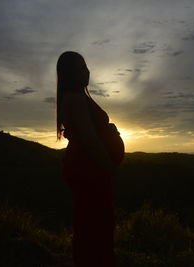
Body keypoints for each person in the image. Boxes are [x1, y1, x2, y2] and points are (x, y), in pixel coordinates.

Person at [56, 51, 123, 267]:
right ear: (69, 73)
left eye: (86, 66)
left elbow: (88, 133)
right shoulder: (75, 98)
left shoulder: (77, 97)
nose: (87, 71)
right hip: (89, 170)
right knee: (96, 226)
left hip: (87, 169)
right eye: (81, 68)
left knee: (90, 224)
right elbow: (89, 139)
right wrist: (109, 166)